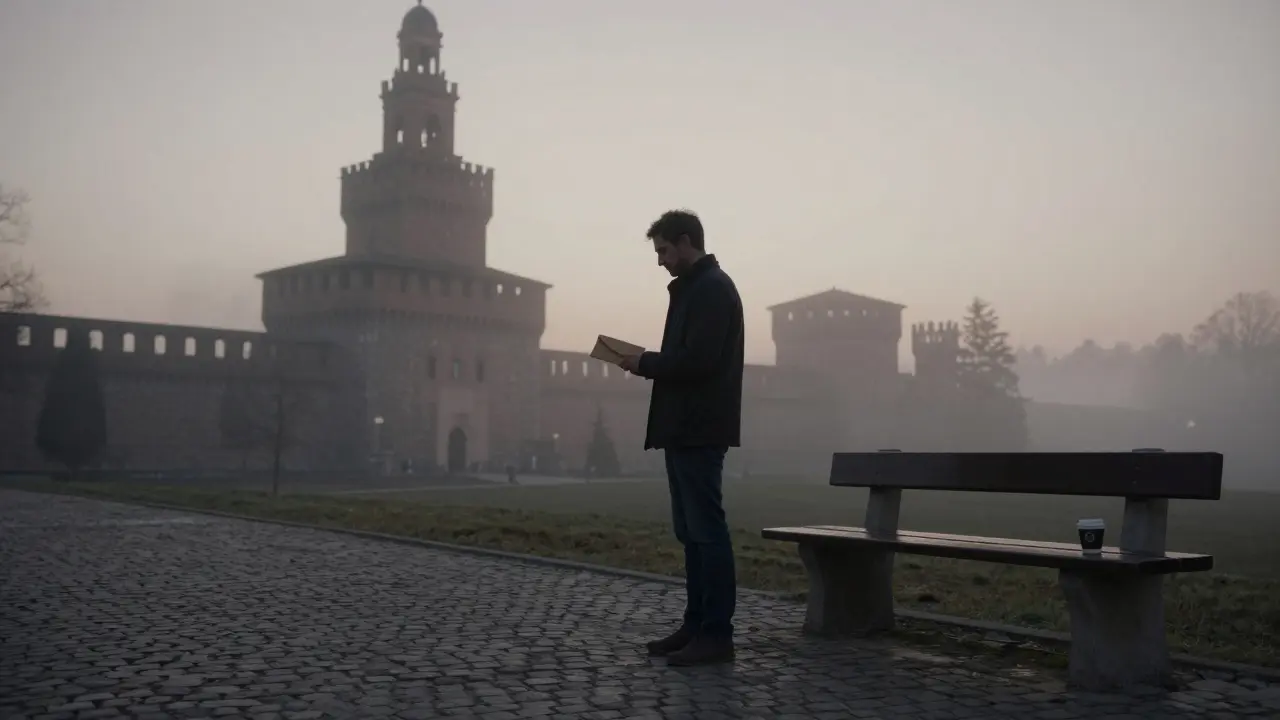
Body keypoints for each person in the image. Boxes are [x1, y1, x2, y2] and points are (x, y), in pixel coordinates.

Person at [618, 209, 744, 666]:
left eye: (664, 251)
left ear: (686, 241)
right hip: (684, 426)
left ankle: (716, 634)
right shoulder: (695, 289)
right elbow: (688, 359)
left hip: (699, 427)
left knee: (707, 533)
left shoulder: (711, 290)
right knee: (691, 533)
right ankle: (696, 625)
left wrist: (644, 362)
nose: (660, 262)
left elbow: (699, 362)